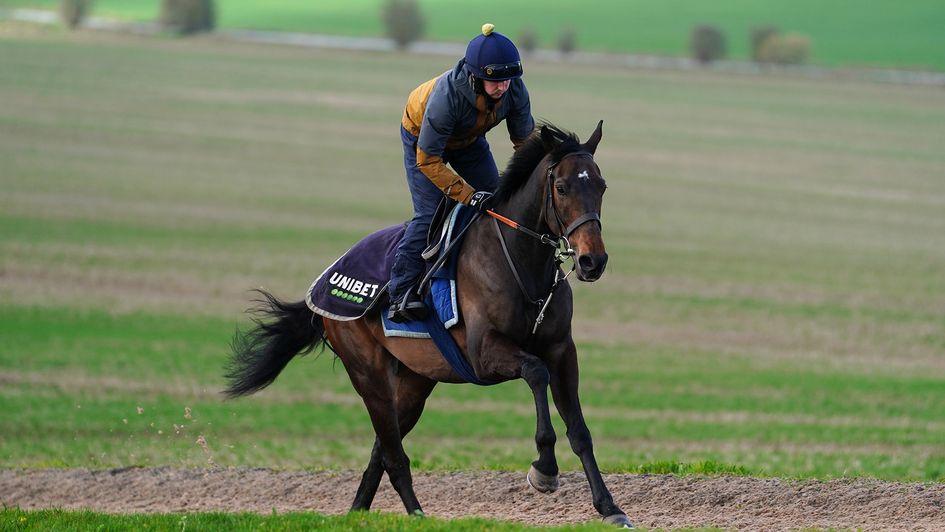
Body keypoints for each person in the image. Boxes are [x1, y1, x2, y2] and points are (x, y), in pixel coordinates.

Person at [387, 23, 535, 323]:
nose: (503, 87)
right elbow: (428, 161)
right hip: (423, 141)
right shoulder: (447, 98)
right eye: (495, 82)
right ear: (475, 76)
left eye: (508, 80)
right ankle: (400, 292)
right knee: (429, 215)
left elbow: (526, 145)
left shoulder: (514, 89)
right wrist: (469, 196)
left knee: (499, 203)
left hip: (468, 140)